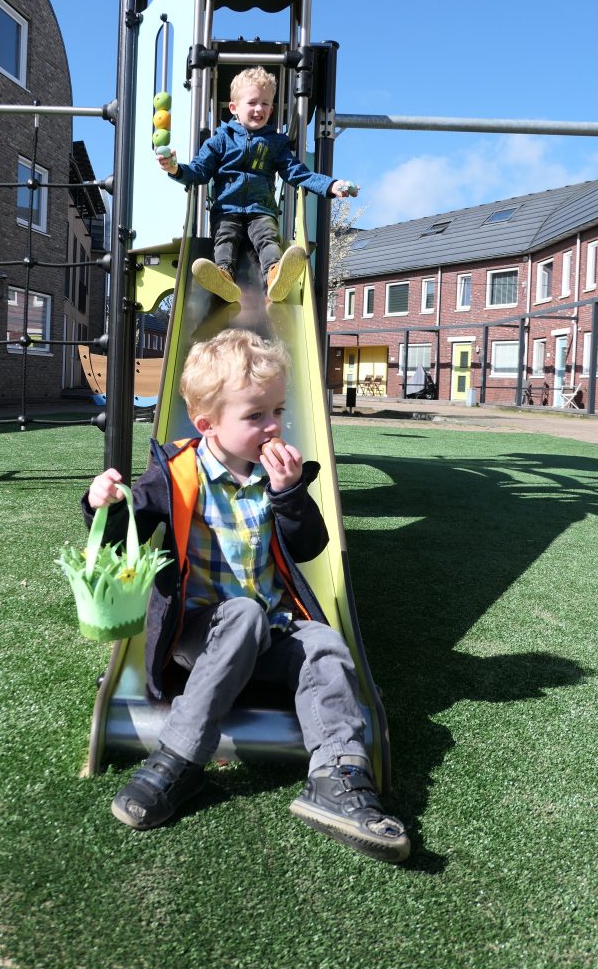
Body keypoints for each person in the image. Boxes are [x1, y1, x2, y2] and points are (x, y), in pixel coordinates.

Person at [83, 328, 410, 863]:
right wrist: (106, 505)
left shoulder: (279, 475)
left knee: (324, 643)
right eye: (255, 415)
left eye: (277, 409)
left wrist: (290, 495)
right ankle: (179, 761)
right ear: (208, 423)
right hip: (202, 634)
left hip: (273, 630)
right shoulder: (177, 471)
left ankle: (338, 779)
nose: (273, 425)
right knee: (240, 614)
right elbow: (125, 536)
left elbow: (309, 547)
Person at [156, 66, 358, 304]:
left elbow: (297, 173)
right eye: (252, 103)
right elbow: (199, 171)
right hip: (227, 210)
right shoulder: (220, 140)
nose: (259, 109)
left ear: (271, 109)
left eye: (265, 104)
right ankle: (223, 277)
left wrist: (330, 185)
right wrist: (175, 169)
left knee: (267, 239)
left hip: (261, 209)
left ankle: (275, 276)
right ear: (234, 108)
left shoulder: (275, 143)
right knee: (225, 238)